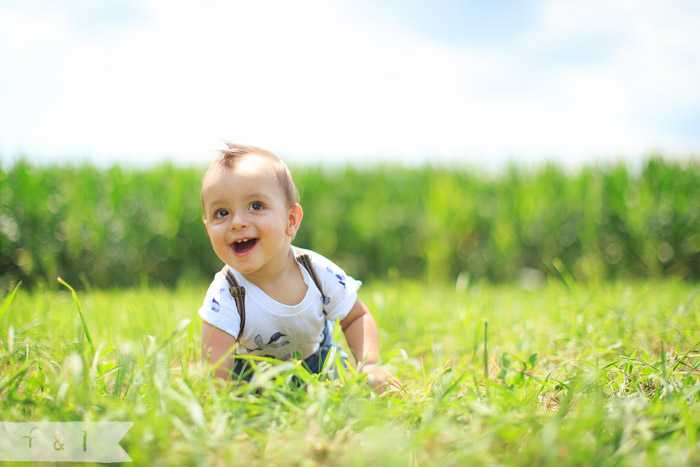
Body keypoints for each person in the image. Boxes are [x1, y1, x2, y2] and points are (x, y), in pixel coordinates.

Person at [198, 142, 402, 393]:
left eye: (256, 206)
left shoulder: (316, 272)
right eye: (221, 212)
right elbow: (217, 363)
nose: (237, 222)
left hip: (316, 363)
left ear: (291, 220)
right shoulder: (226, 293)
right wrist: (220, 395)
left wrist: (369, 364)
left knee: (334, 374)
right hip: (253, 376)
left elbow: (356, 317)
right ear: (208, 230)